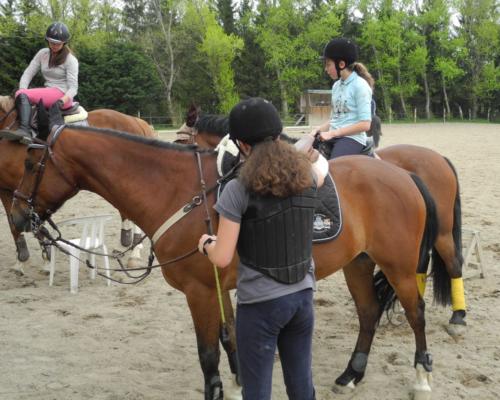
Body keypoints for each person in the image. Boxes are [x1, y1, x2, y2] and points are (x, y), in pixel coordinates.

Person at [197, 97, 325, 400]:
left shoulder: (236, 190)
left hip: (260, 306)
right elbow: (320, 172)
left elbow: (224, 257)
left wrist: (206, 245)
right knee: (302, 388)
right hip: (303, 298)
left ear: (241, 145)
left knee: (256, 392)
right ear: (279, 136)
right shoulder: (308, 176)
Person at [9, 22, 78, 138]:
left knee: (21, 94)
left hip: (62, 96)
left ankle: (24, 130)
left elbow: (73, 88)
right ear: (47, 41)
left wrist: (62, 101)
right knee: (21, 93)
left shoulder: (71, 60)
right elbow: (28, 73)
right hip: (49, 92)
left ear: (64, 43)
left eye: (58, 43)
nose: (54, 45)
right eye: (51, 42)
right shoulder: (42, 54)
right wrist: (23, 91)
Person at [310, 37, 375, 159]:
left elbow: (365, 125)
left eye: (328, 64)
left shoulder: (360, 85)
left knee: (335, 167)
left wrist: (333, 133)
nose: (326, 69)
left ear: (341, 64)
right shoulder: (336, 86)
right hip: (333, 136)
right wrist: (318, 129)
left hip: (352, 138)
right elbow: (335, 118)